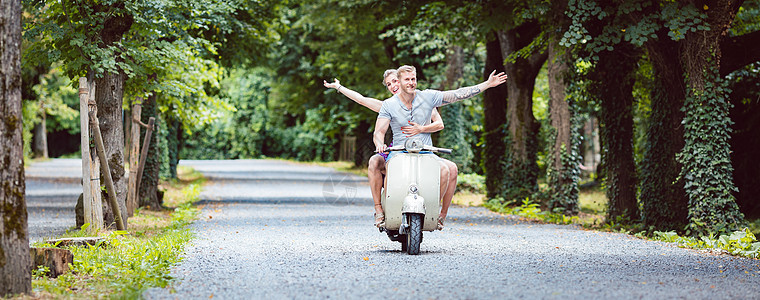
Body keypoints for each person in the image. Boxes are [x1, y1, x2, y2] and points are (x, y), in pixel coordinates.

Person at [374, 65, 508, 230]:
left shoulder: (428, 97)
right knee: (389, 171)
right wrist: (380, 144)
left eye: (413, 79)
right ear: (399, 82)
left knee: (446, 169)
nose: (411, 83)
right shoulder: (389, 105)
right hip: (399, 152)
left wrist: (486, 84)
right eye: (407, 80)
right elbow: (379, 132)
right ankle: (383, 209)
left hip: (425, 152)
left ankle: (434, 213)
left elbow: (457, 94)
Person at [323, 70, 452, 228]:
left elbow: (439, 124)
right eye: (389, 84)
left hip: (423, 149)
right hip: (398, 149)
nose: (393, 86)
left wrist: (421, 129)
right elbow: (362, 101)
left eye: (394, 81)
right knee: (375, 161)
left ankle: (439, 214)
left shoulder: (424, 101)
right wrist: (339, 87)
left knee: (451, 168)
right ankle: (379, 210)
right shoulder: (388, 105)